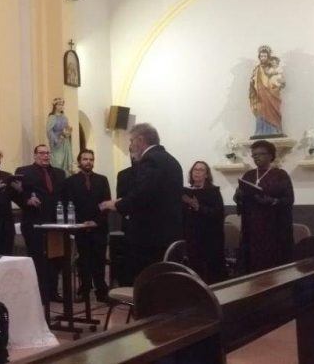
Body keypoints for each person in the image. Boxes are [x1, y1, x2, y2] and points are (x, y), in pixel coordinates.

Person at [100, 123, 183, 280]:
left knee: (149, 284)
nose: (130, 146)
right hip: (169, 235)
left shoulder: (150, 160)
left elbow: (141, 195)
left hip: (151, 238)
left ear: (140, 139)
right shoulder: (171, 160)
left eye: (131, 141)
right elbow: (154, 193)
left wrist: (116, 204)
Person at [15, 144, 66, 303]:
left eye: (47, 153)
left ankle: (53, 292)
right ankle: (40, 294)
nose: (45, 156)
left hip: (55, 222)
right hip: (34, 221)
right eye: (42, 153)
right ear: (35, 155)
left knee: (55, 258)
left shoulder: (59, 173)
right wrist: (27, 200)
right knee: (38, 259)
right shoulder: (23, 171)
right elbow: (15, 194)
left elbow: (63, 195)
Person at [233, 140, 294, 273]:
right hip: (252, 227)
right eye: (254, 155)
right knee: (252, 263)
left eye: (261, 154)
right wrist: (238, 196)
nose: (257, 157)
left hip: (274, 228)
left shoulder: (280, 175)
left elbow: (289, 200)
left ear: (271, 155)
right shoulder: (248, 175)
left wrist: (271, 201)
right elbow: (240, 200)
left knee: (272, 265)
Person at [61, 149, 111, 302]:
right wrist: (81, 223)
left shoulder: (102, 180)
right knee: (84, 261)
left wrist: (96, 222)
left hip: (99, 227)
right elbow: (68, 204)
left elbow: (106, 204)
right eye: (85, 159)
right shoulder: (70, 181)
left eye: (91, 159)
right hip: (80, 227)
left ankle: (101, 291)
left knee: (99, 260)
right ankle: (84, 289)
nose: (88, 162)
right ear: (79, 161)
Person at [182, 161, 227, 284]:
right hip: (192, 235)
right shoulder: (185, 191)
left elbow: (218, 214)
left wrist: (198, 207)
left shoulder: (213, 191)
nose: (197, 172)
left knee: (211, 271)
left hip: (210, 237)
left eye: (201, 170)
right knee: (194, 267)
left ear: (207, 175)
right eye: (195, 169)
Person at [249, 45, 285, 137]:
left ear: (268, 57)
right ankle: (261, 131)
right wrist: (252, 83)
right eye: (261, 56)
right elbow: (253, 82)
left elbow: (280, 80)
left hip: (271, 94)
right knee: (261, 110)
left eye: (265, 56)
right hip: (260, 95)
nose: (263, 58)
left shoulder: (272, 67)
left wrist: (280, 84)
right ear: (259, 57)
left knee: (273, 111)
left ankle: (274, 130)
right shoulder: (257, 68)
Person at [46, 98, 73, 175]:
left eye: (62, 105)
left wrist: (68, 132)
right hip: (56, 143)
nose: (61, 106)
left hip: (65, 142)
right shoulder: (52, 117)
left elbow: (67, 128)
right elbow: (49, 131)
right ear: (55, 106)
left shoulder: (64, 117)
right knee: (57, 162)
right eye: (59, 104)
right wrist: (56, 139)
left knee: (66, 164)